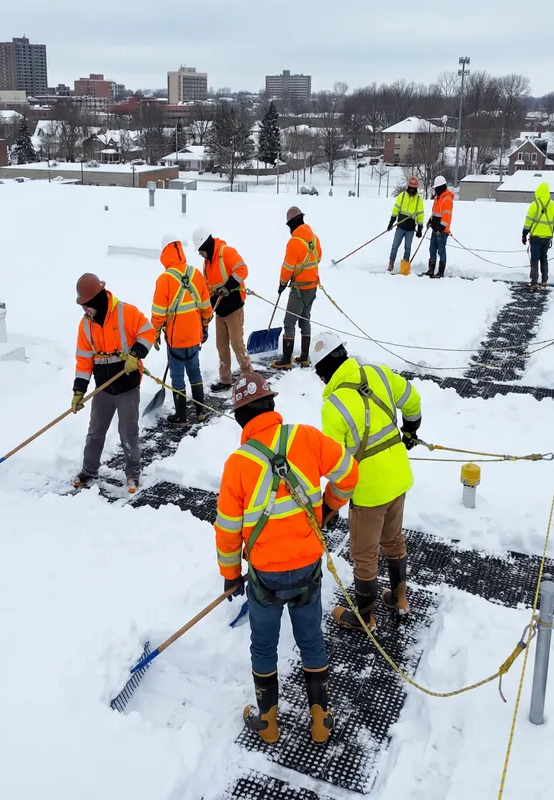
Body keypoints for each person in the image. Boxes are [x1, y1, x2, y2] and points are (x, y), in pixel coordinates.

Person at [215, 372, 359, 745]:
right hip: (308, 566)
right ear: (272, 405)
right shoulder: (306, 437)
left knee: (263, 644)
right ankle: (320, 721)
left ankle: (268, 723)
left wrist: (231, 575)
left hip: (266, 575)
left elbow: (228, 530)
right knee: (310, 638)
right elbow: (349, 473)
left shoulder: (238, 463)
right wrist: (329, 505)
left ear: (239, 418)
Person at [310, 331, 423, 631]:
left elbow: (335, 464)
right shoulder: (378, 373)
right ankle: (400, 600)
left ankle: (365, 617)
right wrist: (411, 430)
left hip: (368, 492)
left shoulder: (333, 406)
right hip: (399, 477)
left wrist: (328, 507)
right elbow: (411, 399)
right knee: (394, 540)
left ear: (322, 371)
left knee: (364, 556)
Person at [71, 273, 157, 494]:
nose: (85, 310)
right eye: (82, 306)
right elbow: (83, 359)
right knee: (95, 432)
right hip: (103, 388)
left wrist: (135, 354)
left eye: (87, 305)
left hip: (127, 386)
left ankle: (133, 474)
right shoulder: (85, 325)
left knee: (128, 433)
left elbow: (148, 332)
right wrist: (79, 391)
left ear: (97, 299)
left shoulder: (125, 312)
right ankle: (89, 470)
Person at [152, 234, 213, 427]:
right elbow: (206, 306)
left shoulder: (164, 279)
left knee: (177, 376)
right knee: (195, 372)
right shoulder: (195, 273)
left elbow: (158, 314)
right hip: (194, 336)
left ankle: (181, 416)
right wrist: (204, 326)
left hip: (175, 339)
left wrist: (155, 333)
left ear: (164, 254)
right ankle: (201, 411)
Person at [193, 227, 254, 391]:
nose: (199, 254)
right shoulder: (206, 264)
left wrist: (228, 286)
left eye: (200, 250)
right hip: (220, 310)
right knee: (221, 346)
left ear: (205, 245)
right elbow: (208, 289)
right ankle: (225, 379)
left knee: (237, 344)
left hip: (234, 307)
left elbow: (242, 270)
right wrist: (208, 311)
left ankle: (249, 375)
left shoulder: (226, 252)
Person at [274, 206, 323, 370]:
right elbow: (319, 257)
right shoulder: (313, 238)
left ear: (292, 223)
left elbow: (287, 267)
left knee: (289, 322)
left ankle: (286, 359)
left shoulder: (294, 242)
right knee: (305, 320)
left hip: (299, 289)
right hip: (312, 287)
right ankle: (303, 357)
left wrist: (282, 283)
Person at [521, 181, 554, 289]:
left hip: (535, 237)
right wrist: (550, 233)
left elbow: (528, 221)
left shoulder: (535, 204)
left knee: (534, 259)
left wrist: (524, 234)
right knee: (544, 258)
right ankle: (544, 280)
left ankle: (534, 282)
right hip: (547, 238)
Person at [387, 177, 425, 274]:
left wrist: (420, 228)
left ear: (416, 188)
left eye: (414, 188)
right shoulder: (402, 196)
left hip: (410, 229)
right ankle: (391, 264)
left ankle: (405, 267)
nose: (412, 190)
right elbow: (396, 209)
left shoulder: (419, 200)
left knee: (407, 248)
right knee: (395, 246)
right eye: (410, 187)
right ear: (408, 187)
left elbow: (420, 214)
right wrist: (391, 221)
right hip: (400, 227)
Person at [425, 176, 453, 278]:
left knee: (441, 250)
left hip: (442, 231)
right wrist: (430, 221)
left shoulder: (447, 199)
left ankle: (440, 272)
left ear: (441, 187)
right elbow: (435, 213)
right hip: (434, 229)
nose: (435, 190)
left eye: (436, 188)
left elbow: (446, 216)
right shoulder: (438, 198)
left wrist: (440, 229)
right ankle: (431, 270)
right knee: (432, 249)